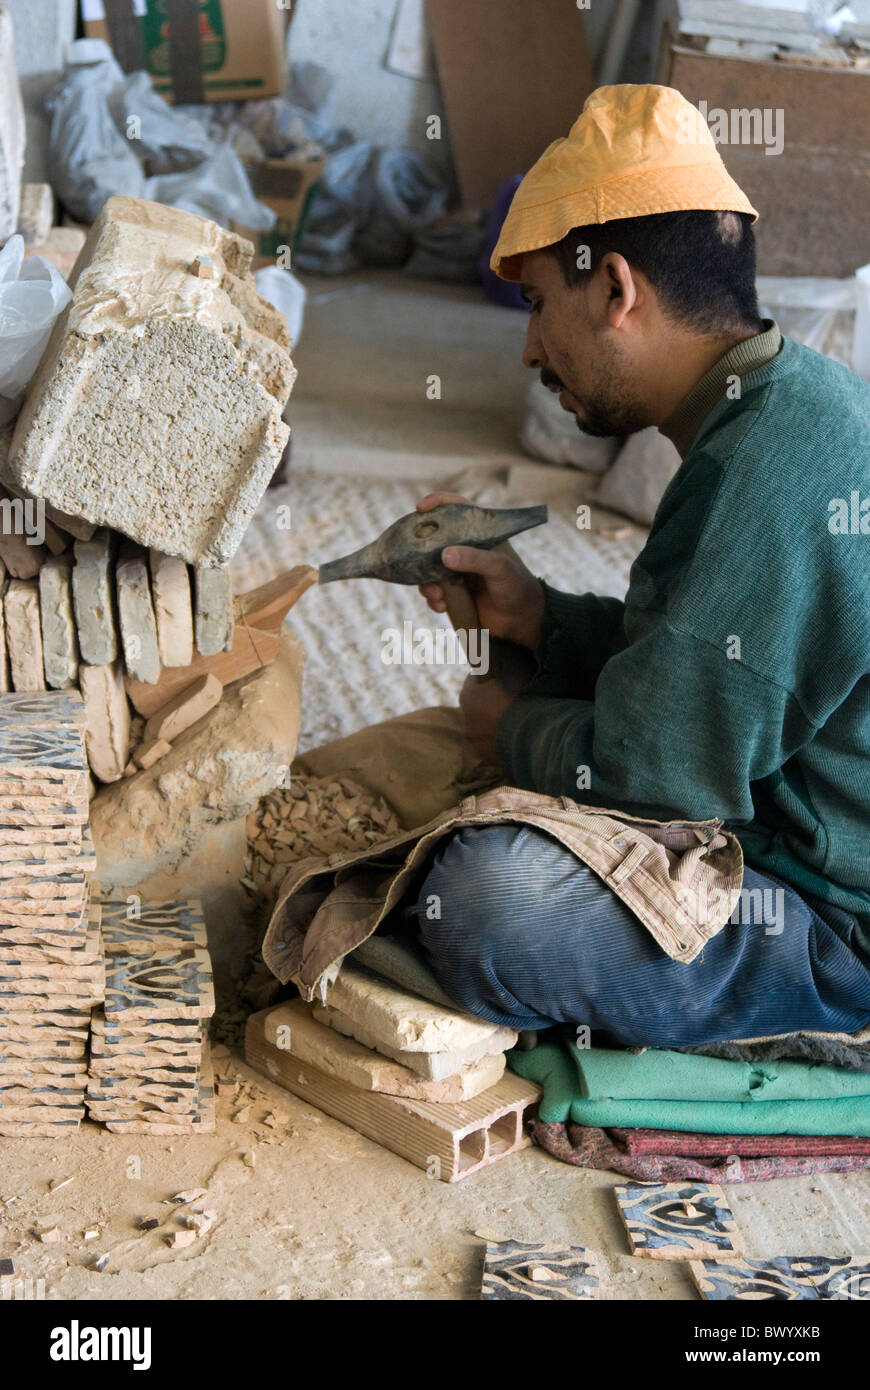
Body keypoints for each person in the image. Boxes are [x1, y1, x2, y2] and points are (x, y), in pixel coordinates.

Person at [397, 85, 870, 1049]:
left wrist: (510, 728)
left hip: (832, 927)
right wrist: (537, 616)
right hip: (796, 825)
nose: (530, 348)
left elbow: (651, 783)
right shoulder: (784, 402)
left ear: (617, 290)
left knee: (487, 896)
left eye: (536, 305)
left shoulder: (763, 465)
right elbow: (713, 668)